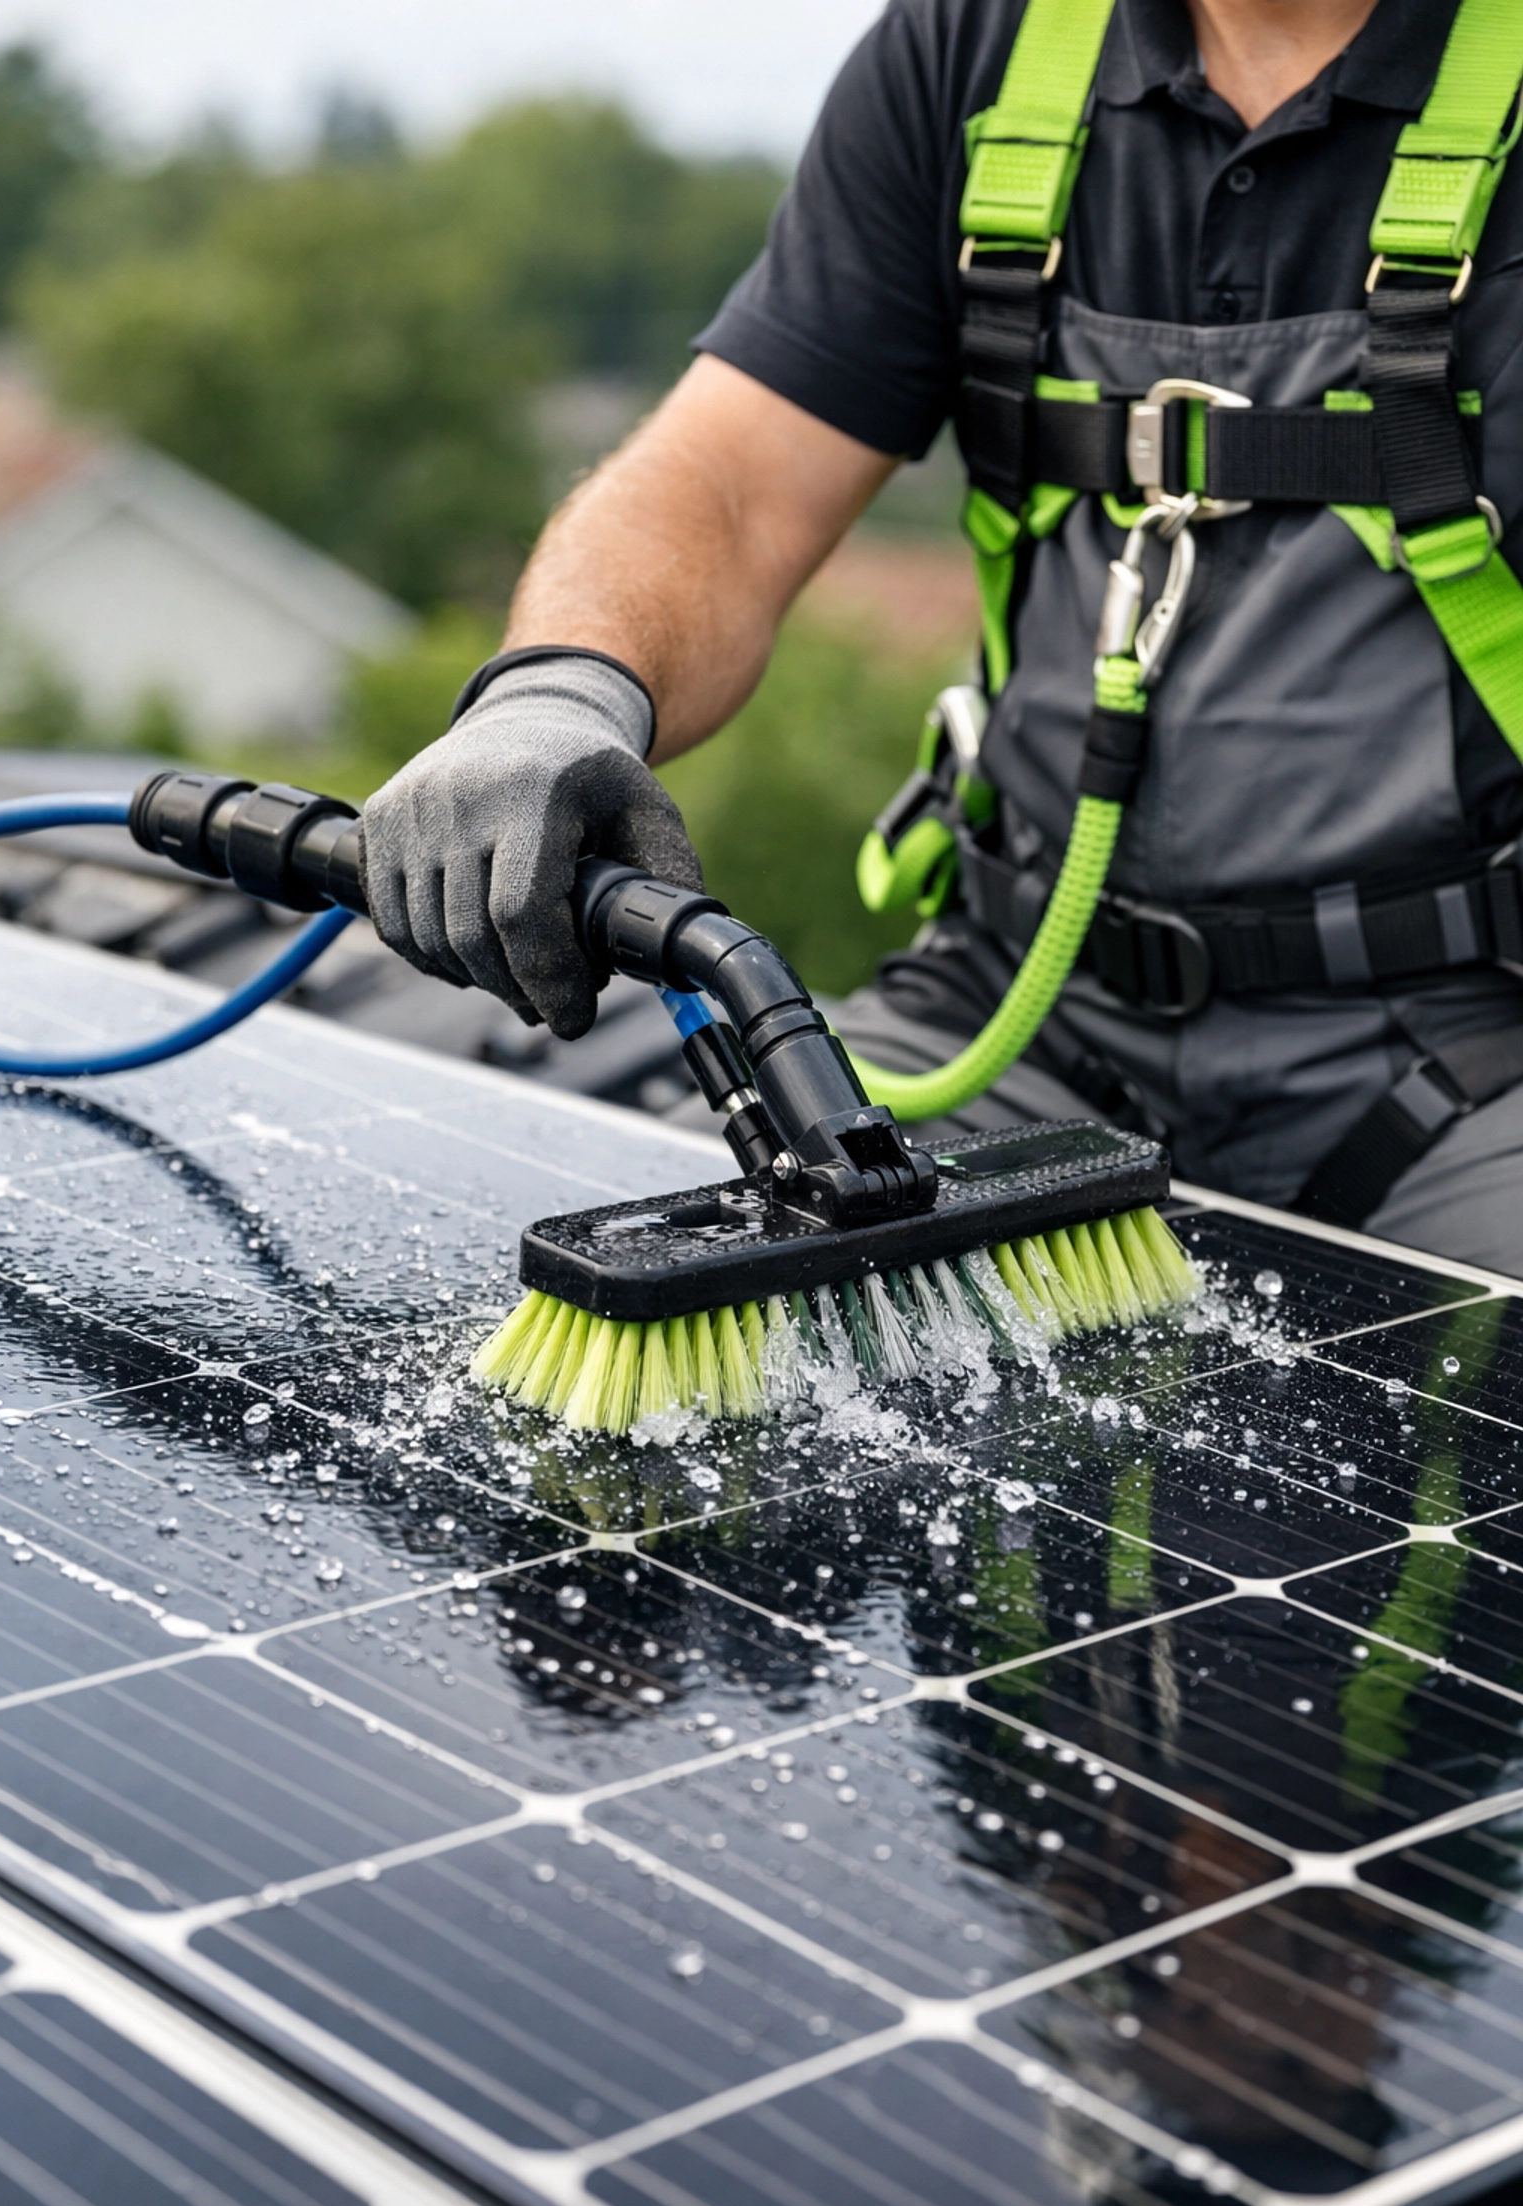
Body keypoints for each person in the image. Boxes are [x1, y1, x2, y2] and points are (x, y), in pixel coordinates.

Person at [360, 0, 1523, 1279]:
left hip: (1474, 1042)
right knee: (673, 1284)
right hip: (1017, 1007)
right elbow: (735, 482)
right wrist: (561, 692)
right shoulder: (983, 49)